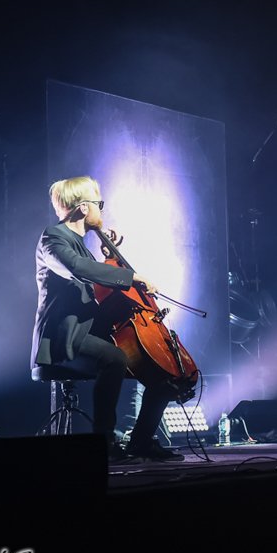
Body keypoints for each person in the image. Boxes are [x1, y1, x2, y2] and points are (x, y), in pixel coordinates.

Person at [30, 176, 183, 462]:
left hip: (91, 332)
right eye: (99, 204)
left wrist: (108, 260)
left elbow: (92, 280)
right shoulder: (53, 238)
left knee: (161, 372)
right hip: (64, 339)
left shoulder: (80, 245)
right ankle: (104, 441)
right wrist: (131, 276)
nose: (102, 209)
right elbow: (77, 269)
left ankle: (141, 441)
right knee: (114, 358)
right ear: (84, 208)